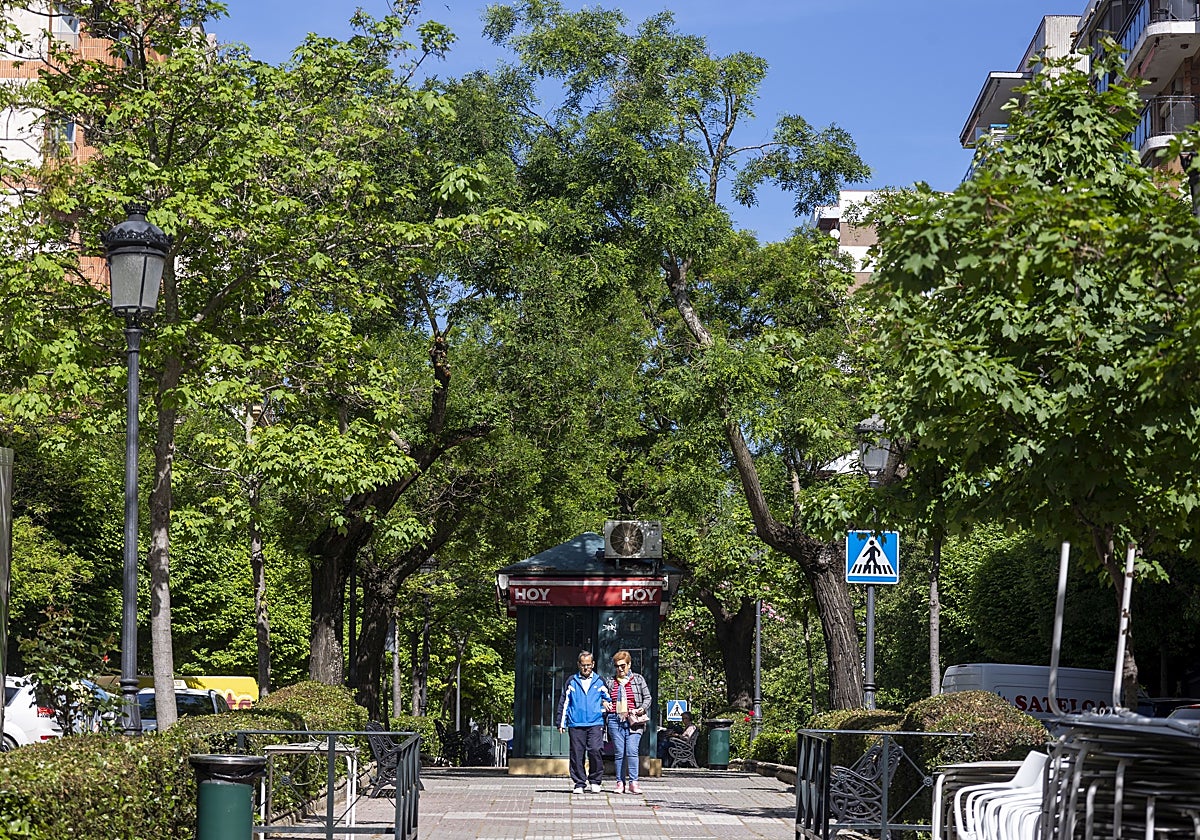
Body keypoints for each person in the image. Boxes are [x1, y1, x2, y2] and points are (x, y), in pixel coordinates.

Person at [556, 650, 611, 795]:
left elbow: (609, 699)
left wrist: (603, 706)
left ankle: (595, 781)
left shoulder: (600, 681)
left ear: (593, 664)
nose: (586, 668)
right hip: (576, 723)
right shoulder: (571, 681)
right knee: (576, 754)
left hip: (595, 722)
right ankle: (579, 783)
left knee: (595, 750)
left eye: (588, 665)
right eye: (583, 665)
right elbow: (564, 702)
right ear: (578, 665)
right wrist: (561, 722)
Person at [607, 649, 651, 794]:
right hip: (615, 720)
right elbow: (604, 698)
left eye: (623, 666)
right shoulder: (610, 682)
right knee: (619, 752)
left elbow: (648, 698)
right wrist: (605, 703)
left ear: (629, 664)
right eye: (617, 666)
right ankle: (620, 782)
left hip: (634, 721)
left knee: (632, 750)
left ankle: (634, 782)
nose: (620, 669)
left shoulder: (638, 679)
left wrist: (642, 708)